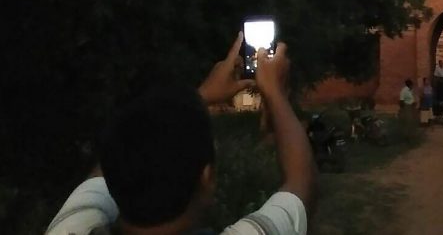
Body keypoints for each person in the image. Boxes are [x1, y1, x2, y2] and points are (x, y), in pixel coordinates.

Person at [46, 33, 313, 235]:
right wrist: (274, 91)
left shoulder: (72, 227)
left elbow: (120, 149)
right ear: (206, 178)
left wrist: (193, 100)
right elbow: (302, 180)